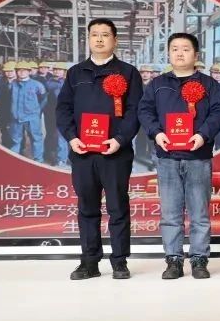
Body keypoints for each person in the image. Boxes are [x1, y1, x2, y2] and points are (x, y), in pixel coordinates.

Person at [55, 19, 144, 280]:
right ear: (88, 39)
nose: (100, 39)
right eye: (94, 34)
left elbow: (135, 110)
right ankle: (89, 262)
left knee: (118, 207)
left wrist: (119, 139)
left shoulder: (128, 73)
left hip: (115, 152)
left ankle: (119, 262)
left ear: (115, 40)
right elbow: (63, 109)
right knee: (87, 208)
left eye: (105, 35)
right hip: (82, 152)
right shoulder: (76, 73)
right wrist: (72, 138)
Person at [138, 33, 220, 280]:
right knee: (170, 213)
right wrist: (157, 133)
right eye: (175, 48)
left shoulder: (209, 84)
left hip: (198, 156)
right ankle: (173, 260)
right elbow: (145, 111)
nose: (180, 53)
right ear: (168, 54)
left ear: (195, 54)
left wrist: (203, 135)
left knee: (199, 212)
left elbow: (219, 112)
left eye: (186, 49)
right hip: (166, 156)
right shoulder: (157, 84)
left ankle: (199, 259)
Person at [9, 60, 47, 163]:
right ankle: (13, 161)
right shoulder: (12, 84)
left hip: (32, 118)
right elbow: (8, 99)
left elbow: (43, 99)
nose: (22, 72)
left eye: (24, 70)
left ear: (29, 72)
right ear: (16, 72)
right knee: (15, 140)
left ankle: (38, 160)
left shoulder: (37, 85)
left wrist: (37, 110)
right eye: (19, 70)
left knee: (36, 139)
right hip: (16, 117)